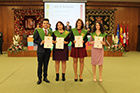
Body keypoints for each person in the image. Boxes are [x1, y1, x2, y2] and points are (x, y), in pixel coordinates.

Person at [33, 19, 53, 85]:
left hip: (47, 51)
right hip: (40, 51)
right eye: (44, 23)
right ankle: (39, 78)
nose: (45, 24)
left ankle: (45, 77)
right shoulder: (38, 31)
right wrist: (40, 42)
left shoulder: (50, 32)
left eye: (47, 23)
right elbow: (34, 40)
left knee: (46, 65)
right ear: (42, 24)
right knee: (40, 65)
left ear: (48, 24)